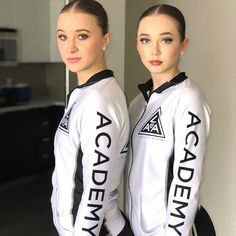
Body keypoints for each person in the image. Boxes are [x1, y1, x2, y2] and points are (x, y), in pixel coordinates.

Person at [125, 4, 211, 236]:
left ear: (183, 45)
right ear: (137, 45)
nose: (154, 51)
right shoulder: (137, 104)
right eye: (145, 40)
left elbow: (187, 183)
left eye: (166, 40)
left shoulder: (188, 100)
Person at [51, 0, 133, 235]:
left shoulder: (98, 101)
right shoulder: (86, 93)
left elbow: (95, 192)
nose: (70, 47)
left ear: (105, 40)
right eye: (62, 36)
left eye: (82, 36)